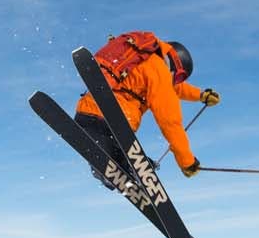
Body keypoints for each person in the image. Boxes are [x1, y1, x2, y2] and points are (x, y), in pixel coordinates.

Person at [74, 33, 219, 184]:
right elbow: (170, 122)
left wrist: (201, 95)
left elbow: (176, 88)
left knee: (112, 158)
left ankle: (109, 169)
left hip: (88, 112)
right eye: (178, 77)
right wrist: (187, 162)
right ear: (176, 64)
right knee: (129, 163)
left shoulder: (144, 60)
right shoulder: (160, 70)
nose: (176, 81)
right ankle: (130, 171)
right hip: (117, 122)